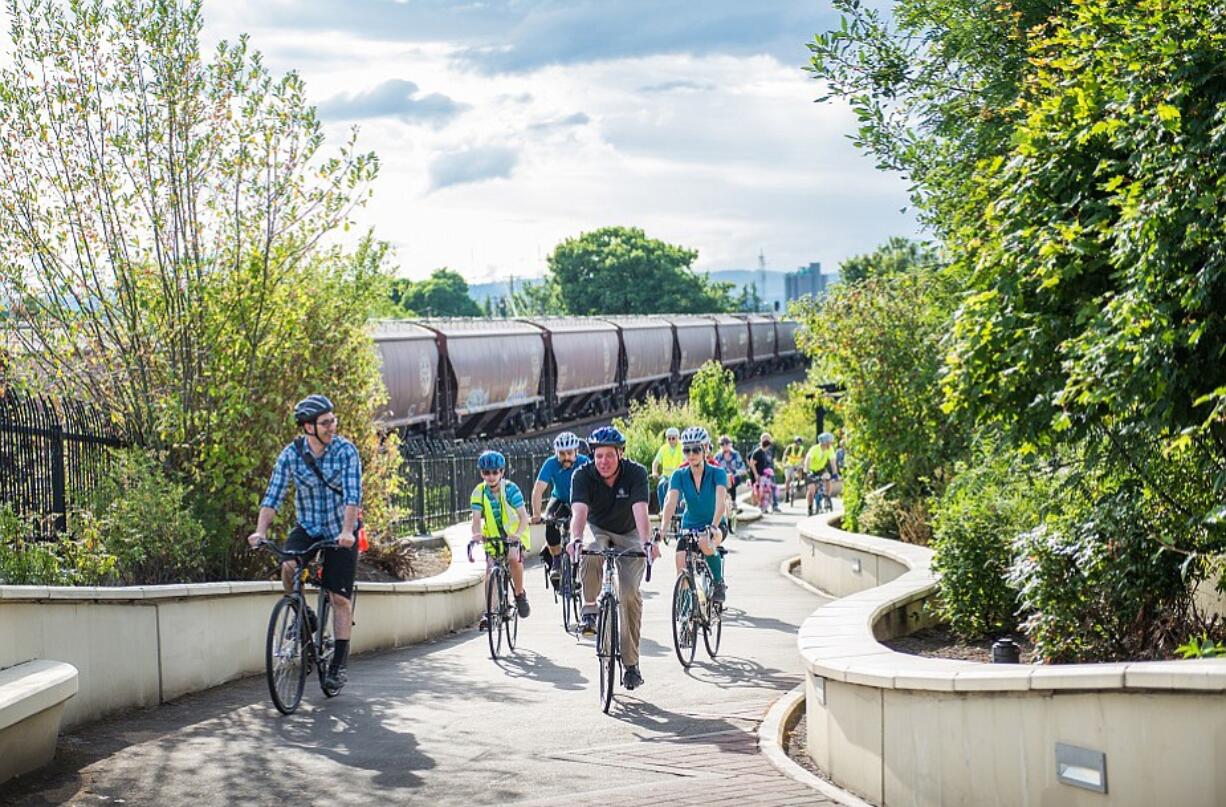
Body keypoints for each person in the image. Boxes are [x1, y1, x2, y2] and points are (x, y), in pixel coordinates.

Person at [248, 394, 361, 693]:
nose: (332, 427)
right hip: (309, 526)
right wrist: (260, 531)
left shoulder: (346, 451)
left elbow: (352, 496)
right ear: (308, 427)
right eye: (325, 423)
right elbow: (273, 496)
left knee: (339, 598)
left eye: (333, 420)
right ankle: (304, 616)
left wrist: (348, 531)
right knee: (288, 564)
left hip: (341, 529)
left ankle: (338, 663)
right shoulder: (291, 454)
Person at [569, 425, 658, 691]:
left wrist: (646, 543)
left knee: (630, 594)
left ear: (620, 453)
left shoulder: (636, 473)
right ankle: (589, 610)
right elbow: (579, 513)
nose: (603, 462)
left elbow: (641, 512)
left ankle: (631, 665)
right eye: (598, 456)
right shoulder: (582, 475)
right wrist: (574, 540)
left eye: (609, 455)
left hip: (630, 532)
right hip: (597, 528)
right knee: (591, 548)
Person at [658, 426, 728, 602]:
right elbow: (670, 501)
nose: (691, 454)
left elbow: (721, 501)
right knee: (681, 565)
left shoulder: (717, 473)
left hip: (715, 524)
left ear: (705, 449)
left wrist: (713, 525)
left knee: (706, 542)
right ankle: (685, 612)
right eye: (687, 450)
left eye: (696, 449)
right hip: (689, 525)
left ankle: (718, 583)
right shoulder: (678, 475)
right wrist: (663, 528)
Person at [471, 450, 532, 628]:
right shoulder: (478, 492)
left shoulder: (511, 489)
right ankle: (489, 613)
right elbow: (476, 519)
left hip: (514, 535)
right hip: (492, 538)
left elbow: (523, 516)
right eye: (486, 473)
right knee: (490, 572)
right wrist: (476, 534)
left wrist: (517, 535)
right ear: (481, 473)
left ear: (502, 472)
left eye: (495, 472)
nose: (490, 476)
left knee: (513, 558)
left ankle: (520, 594)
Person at [530, 431, 590, 587]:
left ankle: (575, 574)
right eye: (562, 454)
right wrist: (537, 514)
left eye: (569, 453)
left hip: (580, 500)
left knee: (578, 537)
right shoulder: (551, 463)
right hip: (560, 499)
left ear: (576, 451)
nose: (566, 458)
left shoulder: (585, 462)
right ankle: (556, 561)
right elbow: (538, 489)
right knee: (550, 521)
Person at [651, 427, 684, 513]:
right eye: (669, 438)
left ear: (678, 438)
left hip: (679, 476)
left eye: (673, 438)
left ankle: (680, 511)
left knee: (679, 489)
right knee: (661, 485)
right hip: (666, 476)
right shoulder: (664, 448)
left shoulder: (682, 448)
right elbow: (655, 462)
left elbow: (686, 461)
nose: (671, 441)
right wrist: (654, 472)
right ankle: (663, 510)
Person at [805, 432, 839, 515]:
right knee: (811, 490)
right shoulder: (814, 449)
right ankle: (810, 508)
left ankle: (827, 496)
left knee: (828, 478)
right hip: (811, 470)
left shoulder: (830, 449)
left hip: (821, 469)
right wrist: (807, 471)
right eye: (830, 442)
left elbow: (833, 462)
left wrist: (835, 473)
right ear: (825, 442)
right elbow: (807, 461)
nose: (831, 444)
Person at [749, 432, 780, 513]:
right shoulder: (758, 451)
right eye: (765, 438)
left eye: (768, 438)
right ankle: (760, 507)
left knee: (769, 491)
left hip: (768, 474)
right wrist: (755, 474)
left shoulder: (770, 450)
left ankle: (772, 505)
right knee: (760, 491)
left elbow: (771, 461)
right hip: (760, 475)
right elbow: (752, 462)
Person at [714, 435, 746, 509]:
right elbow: (714, 467)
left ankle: (733, 502)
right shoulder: (718, 456)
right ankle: (724, 503)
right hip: (722, 478)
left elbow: (742, 467)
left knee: (731, 480)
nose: (724, 446)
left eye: (726, 443)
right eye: (722, 444)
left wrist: (736, 472)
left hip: (734, 477)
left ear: (730, 444)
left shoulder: (736, 454)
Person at [782, 436, 806, 503]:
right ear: (794, 443)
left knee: (800, 470)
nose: (798, 445)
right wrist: (784, 464)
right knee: (787, 480)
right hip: (789, 464)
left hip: (797, 464)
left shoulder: (802, 449)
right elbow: (784, 456)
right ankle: (787, 496)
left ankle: (799, 483)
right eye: (797, 443)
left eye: (799, 443)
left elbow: (804, 458)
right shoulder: (790, 447)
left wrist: (803, 464)